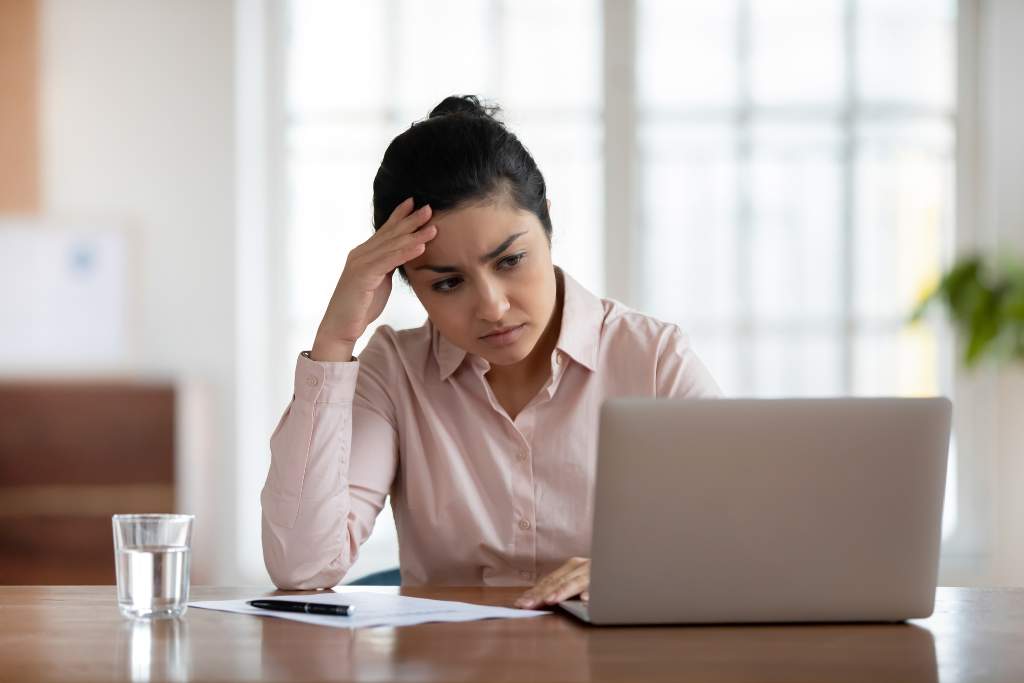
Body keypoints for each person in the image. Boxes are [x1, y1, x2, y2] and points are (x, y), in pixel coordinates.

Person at [261, 94, 722, 610]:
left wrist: (633, 571)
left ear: (547, 220)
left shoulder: (654, 359)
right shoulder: (394, 371)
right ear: (406, 281)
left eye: (510, 261)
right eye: (449, 283)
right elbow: (302, 568)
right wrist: (335, 343)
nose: (493, 308)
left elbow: (740, 540)